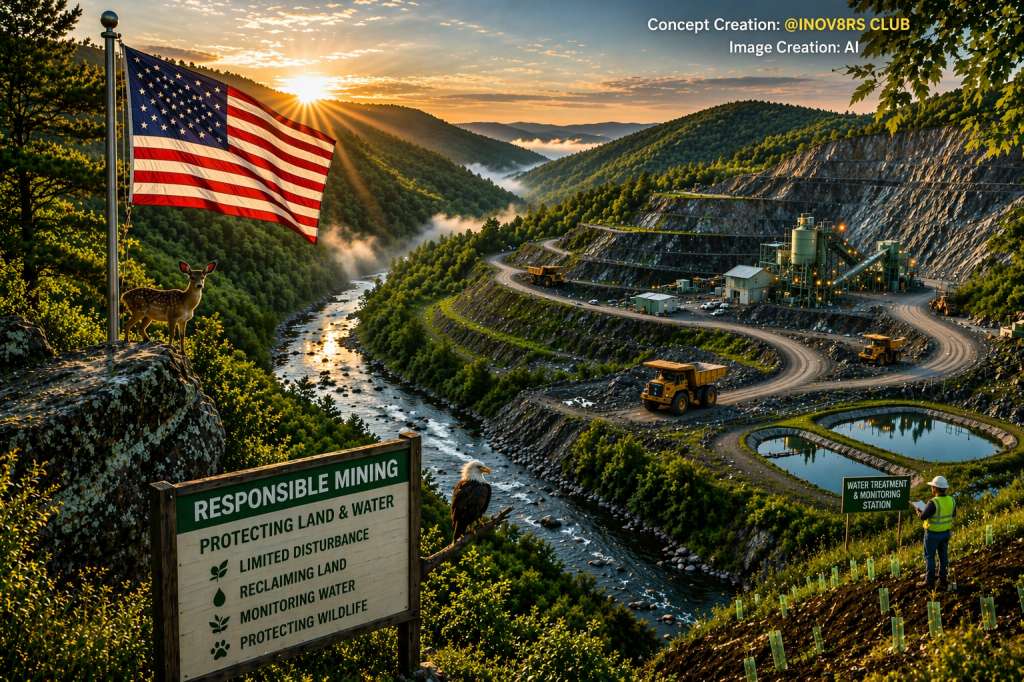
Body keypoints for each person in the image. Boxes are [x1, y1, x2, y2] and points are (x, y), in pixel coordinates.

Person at [915, 476, 956, 589]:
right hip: (946, 533)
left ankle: (929, 581)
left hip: (933, 534)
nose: (932, 488)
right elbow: (953, 514)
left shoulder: (933, 502)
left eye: (932, 486)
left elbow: (924, 517)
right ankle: (943, 579)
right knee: (943, 556)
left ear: (936, 489)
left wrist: (918, 512)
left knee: (930, 557)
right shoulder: (952, 500)